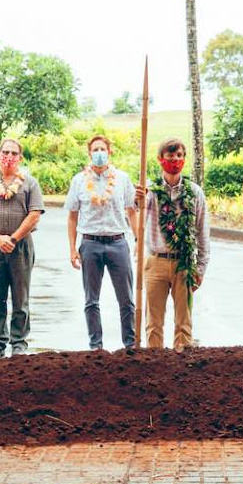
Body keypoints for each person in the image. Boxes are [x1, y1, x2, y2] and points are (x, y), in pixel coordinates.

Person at [134, 138, 210, 351]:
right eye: (170, 156)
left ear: (184, 160)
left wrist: (201, 267)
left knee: (184, 323)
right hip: (156, 262)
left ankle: (181, 366)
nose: (175, 160)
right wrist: (137, 199)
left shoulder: (194, 192)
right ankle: (154, 365)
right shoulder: (151, 191)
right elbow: (137, 208)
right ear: (161, 160)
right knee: (153, 322)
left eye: (179, 156)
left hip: (184, 263)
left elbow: (203, 232)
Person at [67, 135, 137, 350]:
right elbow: (72, 216)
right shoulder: (79, 180)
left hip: (117, 242)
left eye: (102, 148)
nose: (99, 152)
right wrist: (72, 248)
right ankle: (96, 346)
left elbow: (132, 211)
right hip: (90, 243)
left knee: (126, 299)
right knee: (91, 300)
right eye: (95, 149)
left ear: (109, 152)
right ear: (89, 153)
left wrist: (137, 239)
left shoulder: (123, 179)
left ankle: (130, 344)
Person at [0, 139, 45, 359]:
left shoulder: (30, 184)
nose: (9, 156)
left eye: (14, 153)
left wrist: (13, 239)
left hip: (21, 247)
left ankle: (19, 343)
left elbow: (34, 214)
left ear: (20, 158)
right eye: (5, 152)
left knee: (20, 297)